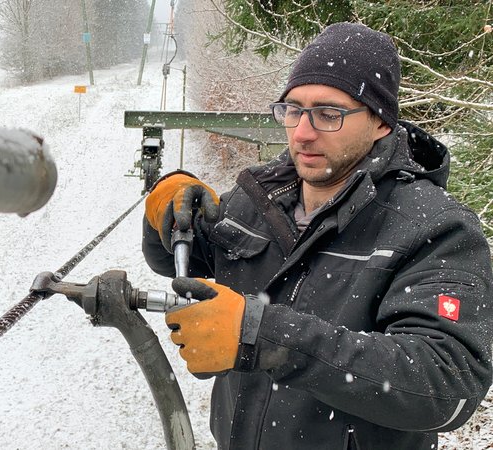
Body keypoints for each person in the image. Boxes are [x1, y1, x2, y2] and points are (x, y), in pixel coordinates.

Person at [142, 22, 493, 449]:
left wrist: (264, 337)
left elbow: (445, 385)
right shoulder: (258, 201)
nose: (303, 132)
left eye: (329, 114)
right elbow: (176, 262)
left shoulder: (433, 227)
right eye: (293, 110)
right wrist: (167, 203)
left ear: (381, 122)